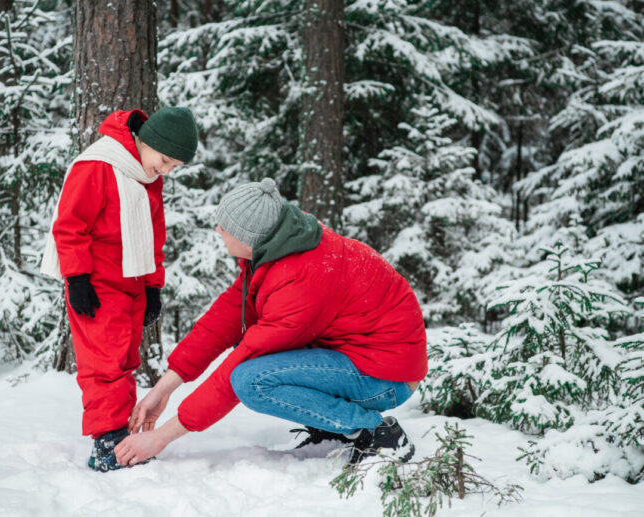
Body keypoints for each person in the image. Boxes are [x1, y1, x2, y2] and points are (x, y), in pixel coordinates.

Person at [114, 178, 427, 467]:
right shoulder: (279, 248)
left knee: (250, 380)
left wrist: (161, 437)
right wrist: (164, 388)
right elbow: (223, 319)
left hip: (385, 378)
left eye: (226, 226)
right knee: (251, 358)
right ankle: (338, 426)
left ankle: (376, 432)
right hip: (360, 358)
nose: (218, 230)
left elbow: (236, 369)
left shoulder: (300, 278)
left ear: (249, 236)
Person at [41, 107, 199, 472]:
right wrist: (77, 278)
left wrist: (153, 289)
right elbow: (69, 225)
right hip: (96, 284)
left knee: (126, 361)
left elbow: (154, 237)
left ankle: (123, 432)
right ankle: (108, 439)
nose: (168, 170)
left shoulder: (148, 177)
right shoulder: (98, 165)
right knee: (104, 364)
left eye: (175, 166)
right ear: (149, 143)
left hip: (133, 280)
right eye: (166, 160)